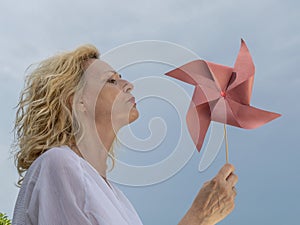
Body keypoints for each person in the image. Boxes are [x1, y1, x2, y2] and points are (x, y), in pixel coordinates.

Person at [12, 44, 238, 225]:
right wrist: (198, 218)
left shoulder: (119, 200)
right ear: (79, 101)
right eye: (111, 80)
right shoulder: (58, 163)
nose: (128, 84)